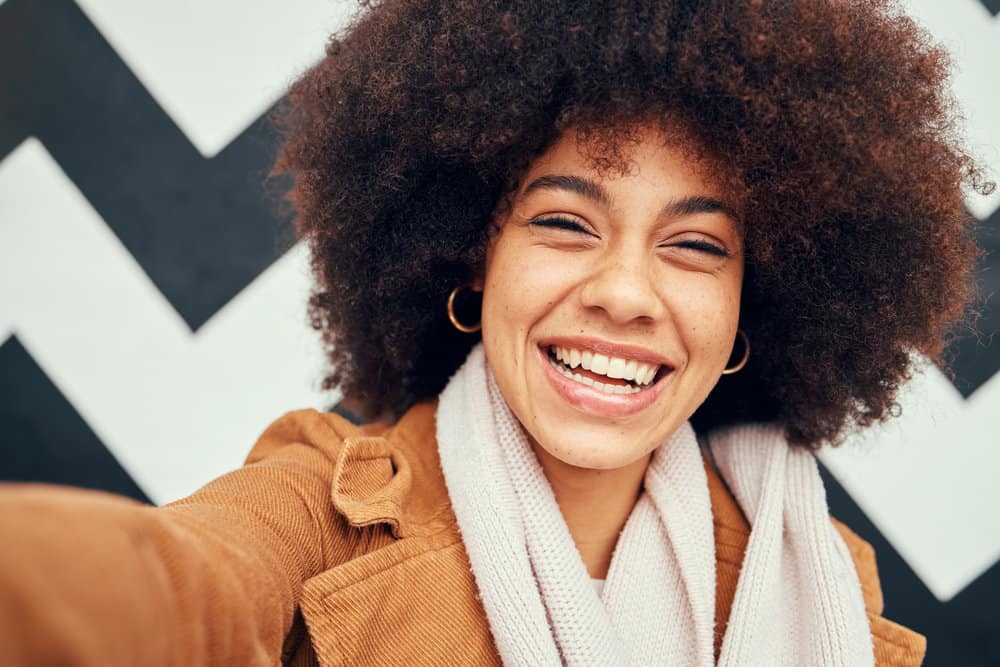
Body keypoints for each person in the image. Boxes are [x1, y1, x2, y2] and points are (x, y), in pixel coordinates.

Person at [0, 0, 990, 665]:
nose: (625, 292)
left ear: (750, 311)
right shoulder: (322, 507)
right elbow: (171, 580)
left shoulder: (815, 571)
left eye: (695, 245)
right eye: (564, 222)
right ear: (471, 257)